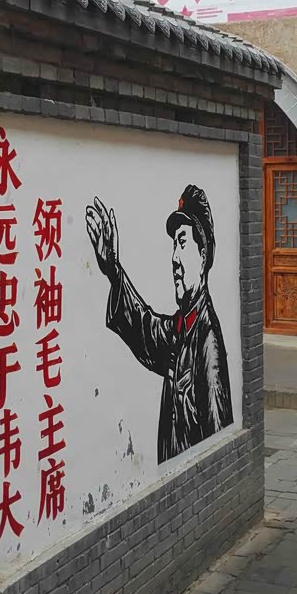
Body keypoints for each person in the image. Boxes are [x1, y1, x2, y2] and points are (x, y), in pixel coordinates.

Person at [85, 184, 233, 464]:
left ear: (203, 256)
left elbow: (218, 445)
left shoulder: (207, 343)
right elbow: (145, 327)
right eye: (174, 245)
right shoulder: (183, 329)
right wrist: (113, 270)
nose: (174, 258)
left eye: (182, 243)